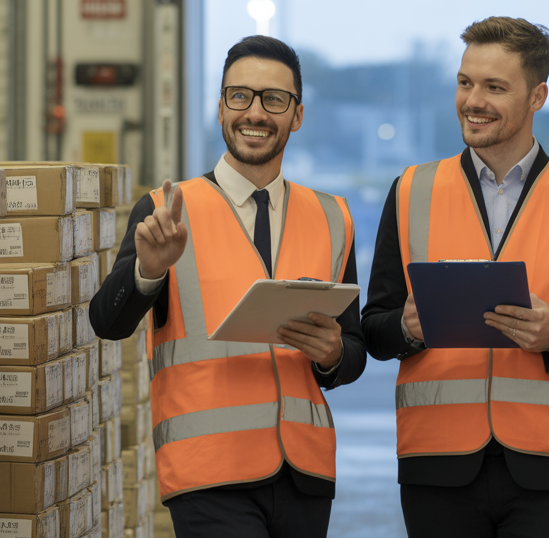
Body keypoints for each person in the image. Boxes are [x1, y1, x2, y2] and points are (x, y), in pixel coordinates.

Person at [361, 17, 549, 538]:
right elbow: (373, 328)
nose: (473, 100)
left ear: (537, 96)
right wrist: (407, 327)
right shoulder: (410, 190)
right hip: (435, 461)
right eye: (465, 82)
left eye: (494, 87)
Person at [89, 36, 366, 538]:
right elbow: (107, 322)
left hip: (304, 473)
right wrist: (146, 271)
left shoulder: (333, 218)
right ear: (220, 109)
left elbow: (352, 352)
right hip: (207, 471)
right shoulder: (166, 211)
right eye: (239, 96)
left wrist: (333, 355)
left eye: (274, 99)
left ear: (296, 116)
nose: (254, 112)